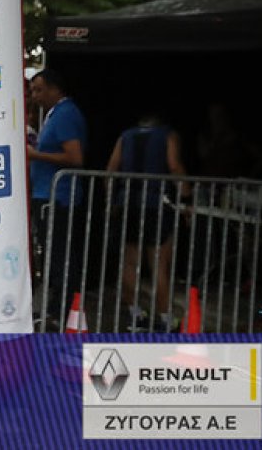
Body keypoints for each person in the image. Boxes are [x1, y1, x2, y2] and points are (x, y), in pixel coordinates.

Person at [106, 110, 186, 331]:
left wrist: (111, 201)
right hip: (155, 204)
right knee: (159, 264)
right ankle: (165, 319)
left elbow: (111, 169)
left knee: (129, 262)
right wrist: (187, 197)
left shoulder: (125, 136)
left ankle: (135, 315)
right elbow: (174, 165)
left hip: (127, 203)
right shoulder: (168, 135)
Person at [26, 68, 87, 329]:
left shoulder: (66, 114)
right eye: (32, 91)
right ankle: (54, 309)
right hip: (46, 194)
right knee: (52, 256)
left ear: (54, 89)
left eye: (39, 90)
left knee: (61, 257)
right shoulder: (54, 114)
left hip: (58, 198)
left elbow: (75, 157)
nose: (35, 96)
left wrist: (35, 155)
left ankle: (62, 312)